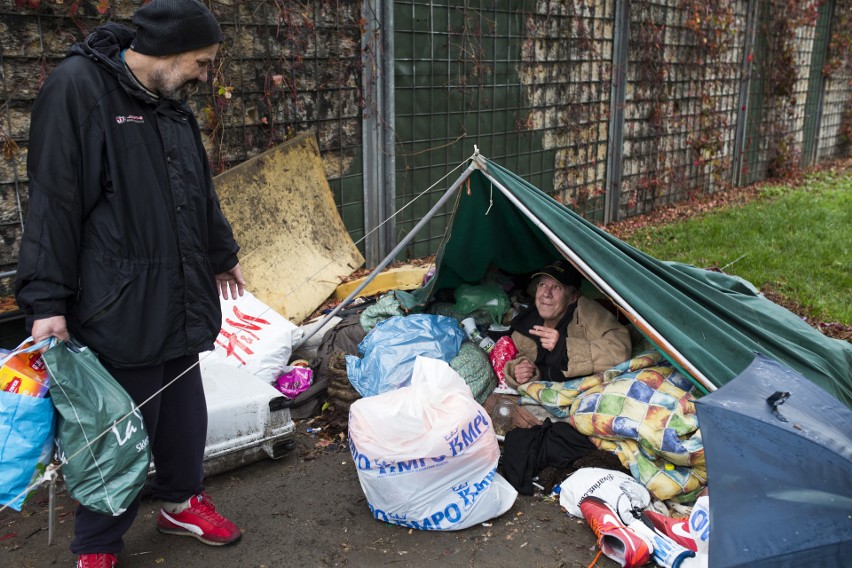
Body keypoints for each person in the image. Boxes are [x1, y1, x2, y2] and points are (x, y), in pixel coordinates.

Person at [15, 1, 245, 566]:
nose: (205, 76)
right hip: (117, 297)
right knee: (116, 426)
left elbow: (198, 189)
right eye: (202, 62)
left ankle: (180, 502)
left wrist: (220, 252)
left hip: (180, 288)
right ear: (166, 49)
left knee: (184, 411)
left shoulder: (171, 104)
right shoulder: (79, 89)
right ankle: (97, 541)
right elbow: (53, 201)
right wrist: (45, 299)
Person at [502, 259, 631, 388]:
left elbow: (620, 350)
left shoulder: (587, 312)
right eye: (542, 285)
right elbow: (529, 365)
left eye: (557, 287)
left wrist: (563, 348)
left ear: (573, 297)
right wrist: (522, 372)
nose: (546, 294)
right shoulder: (524, 328)